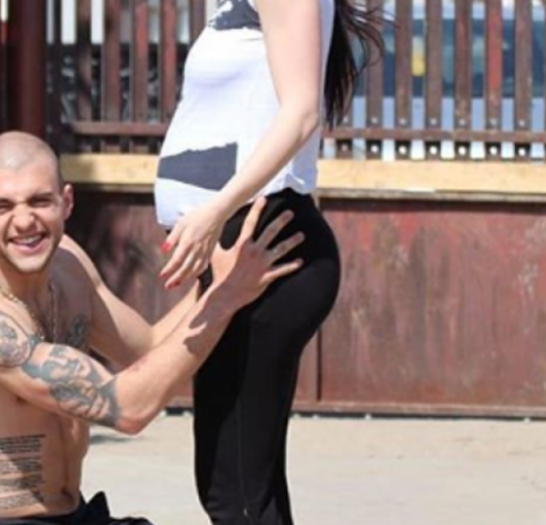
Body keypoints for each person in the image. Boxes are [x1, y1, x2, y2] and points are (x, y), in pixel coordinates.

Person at [0, 131, 305, 525]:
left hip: (75, 513)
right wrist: (224, 298)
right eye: (2, 207)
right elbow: (129, 408)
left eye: (39, 201)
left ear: (66, 201)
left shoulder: (68, 264)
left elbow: (147, 348)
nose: (24, 222)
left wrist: (217, 281)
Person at [154, 1, 383, 524]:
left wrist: (216, 210)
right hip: (246, 247)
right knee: (245, 491)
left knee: (235, 494)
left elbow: (301, 113)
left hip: (263, 244)